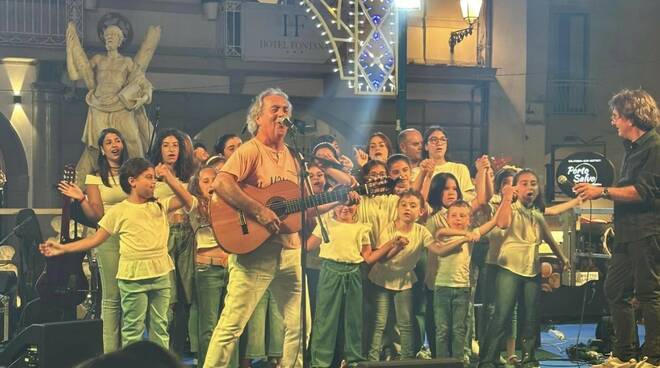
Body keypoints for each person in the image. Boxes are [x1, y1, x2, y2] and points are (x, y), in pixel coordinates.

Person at [204, 88, 309, 368]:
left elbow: (301, 209)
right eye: (274, 109)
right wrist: (258, 210)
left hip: (290, 253)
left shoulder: (294, 156)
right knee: (231, 327)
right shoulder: (249, 150)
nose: (281, 114)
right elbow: (221, 183)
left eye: (285, 110)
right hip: (255, 253)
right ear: (258, 117)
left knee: (300, 326)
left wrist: (338, 198)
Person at [40, 157, 193, 348]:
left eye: (154, 178)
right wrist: (63, 248)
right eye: (148, 177)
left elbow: (188, 200)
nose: (154, 182)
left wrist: (169, 178)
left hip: (160, 272)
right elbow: (95, 239)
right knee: (132, 329)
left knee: (160, 327)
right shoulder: (119, 211)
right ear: (132, 181)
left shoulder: (160, 205)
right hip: (133, 276)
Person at [575, 88, 660, 368]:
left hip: (648, 231)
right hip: (626, 232)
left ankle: (654, 358)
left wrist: (601, 191)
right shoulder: (632, 149)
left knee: (649, 294)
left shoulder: (655, 147)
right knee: (614, 290)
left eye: (616, 116)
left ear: (631, 117)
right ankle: (625, 354)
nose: (613, 122)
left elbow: (642, 192)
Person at [479, 169, 570, 368]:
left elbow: (549, 237)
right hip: (508, 267)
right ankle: (487, 359)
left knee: (530, 316)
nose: (530, 187)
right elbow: (502, 223)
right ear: (516, 187)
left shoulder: (537, 214)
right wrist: (506, 198)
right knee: (501, 314)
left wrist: (563, 258)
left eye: (533, 183)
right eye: (525, 183)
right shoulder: (509, 208)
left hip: (532, 269)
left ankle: (529, 357)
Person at [57, 128, 129, 352]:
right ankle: (110, 353)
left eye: (118, 140)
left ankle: (131, 353)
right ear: (102, 149)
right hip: (108, 239)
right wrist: (82, 199)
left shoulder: (132, 173)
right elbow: (96, 215)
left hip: (134, 240)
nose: (114, 145)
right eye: (109, 142)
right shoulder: (95, 177)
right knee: (111, 298)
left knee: (132, 298)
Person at [65, 22, 158, 184]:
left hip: (121, 106)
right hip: (98, 105)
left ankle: (142, 177)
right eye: (107, 36)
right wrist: (69, 47)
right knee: (96, 147)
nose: (109, 38)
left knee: (133, 140)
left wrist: (141, 99)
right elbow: (74, 75)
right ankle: (92, 181)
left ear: (120, 41)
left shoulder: (127, 62)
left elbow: (145, 85)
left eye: (113, 36)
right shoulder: (98, 60)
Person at [306, 202, 372, 367]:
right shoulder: (325, 223)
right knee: (325, 318)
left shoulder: (362, 227)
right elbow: (306, 246)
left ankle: (353, 359)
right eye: (341, 204)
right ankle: (320, 362)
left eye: (350, 204)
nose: (345, 208)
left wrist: (392, 245)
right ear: (333, 206)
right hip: (330, 271)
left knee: (354, 319)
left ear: (357, 206)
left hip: (354, 272)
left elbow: (368, 255)